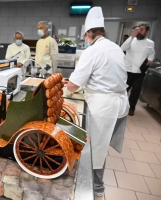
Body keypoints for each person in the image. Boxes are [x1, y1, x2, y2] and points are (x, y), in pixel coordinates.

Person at [66, 7, 129, 198]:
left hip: (103, 107)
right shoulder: (115, 47)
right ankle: (96, 186)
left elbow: (73, 86)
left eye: (85, 36)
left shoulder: (92, 51)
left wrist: (71, 85)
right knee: (100, 146)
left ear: (88, 33)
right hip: (120, 103)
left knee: (94, 150)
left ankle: (96, 190)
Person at [121, 24, 155, 116]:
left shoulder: (150, 43)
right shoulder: (131, 40)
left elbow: (152, 53)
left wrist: (150, 59)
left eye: (141, 30)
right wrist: (131, 36)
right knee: (123, 89)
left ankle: (131, 108)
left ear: (147, 32)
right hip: (127, 69)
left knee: (136, 90)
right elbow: (122, 48)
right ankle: (120, 107)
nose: (139, 31)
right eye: (138, 30)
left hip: (140, 71)